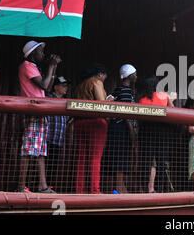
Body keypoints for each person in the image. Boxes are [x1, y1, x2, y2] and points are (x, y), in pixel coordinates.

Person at [17, 40, 61, 193]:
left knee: (40, 151)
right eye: (40, 51)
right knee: (29, 149)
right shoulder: (26, 66)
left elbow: (48, 86)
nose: (43, 54)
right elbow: (43, 85)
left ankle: (42, 186)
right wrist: (50, 66)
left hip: (39, 112)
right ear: (33, 54)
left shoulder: (34, 67)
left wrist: (53, 67)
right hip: (33, 111)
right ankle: (21, 187)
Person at [102, 64, 137, 194]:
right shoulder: (126, 90)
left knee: (117, 157)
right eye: (135, 74)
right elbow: (126, 114)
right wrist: (132, 132)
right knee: (120, 159)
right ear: (130, 76)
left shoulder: (118, 89)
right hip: (122, 128)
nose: (136, 76)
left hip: (114, 128)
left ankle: (118, 188)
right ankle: (120, 188)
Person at [74, 63, 108, 194]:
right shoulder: (96, 82)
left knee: (82, 157)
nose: (104, 79)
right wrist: (109, 100)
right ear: (100, 74)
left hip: (79, 122)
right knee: (95, 158)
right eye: (104, 76)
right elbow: (101, 104)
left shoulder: (79, 86)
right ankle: (95, 190)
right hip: (96, 122)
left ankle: (80, 190)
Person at [137, 75, 174, 193]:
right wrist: (171, 100)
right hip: (162, 131)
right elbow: (173, 110)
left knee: (146, 161)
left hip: (146, 131)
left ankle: (145, 189)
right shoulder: (164, 96)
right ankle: (159, 189)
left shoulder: (142, 99)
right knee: (161, 161)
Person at [45, 76, 70, 192]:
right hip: (48, 138)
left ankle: (49, 187)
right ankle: (39, 187)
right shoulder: (49, 98)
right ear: (55, 87)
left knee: (52, 165)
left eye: (66, 85)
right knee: (44, 164)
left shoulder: (65, 101)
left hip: (57, 140)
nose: (66, 88)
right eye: (63, 85)